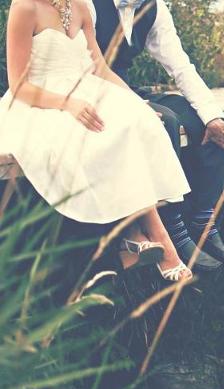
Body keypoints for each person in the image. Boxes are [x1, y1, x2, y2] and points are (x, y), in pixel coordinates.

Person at [0, 0, 195, 282]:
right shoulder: (25, 7)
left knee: (137, 121)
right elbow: (18, 84)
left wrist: (136, 102)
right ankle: (160, 240)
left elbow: (100, 69)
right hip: (41, 100)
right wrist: (67, 104)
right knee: (95, 135)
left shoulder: (80, 6)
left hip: (87, 89)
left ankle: (137, 237)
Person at [86, 0, 224, 269]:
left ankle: (204, 220)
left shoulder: (153, 7)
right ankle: (174, 229)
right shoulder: (87, 3)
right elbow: (81, 64)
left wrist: (211, 115)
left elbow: (180, 66)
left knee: (210, 117)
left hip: (128, 88)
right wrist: (136, 106)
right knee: (164, 122)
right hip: (91, 94)